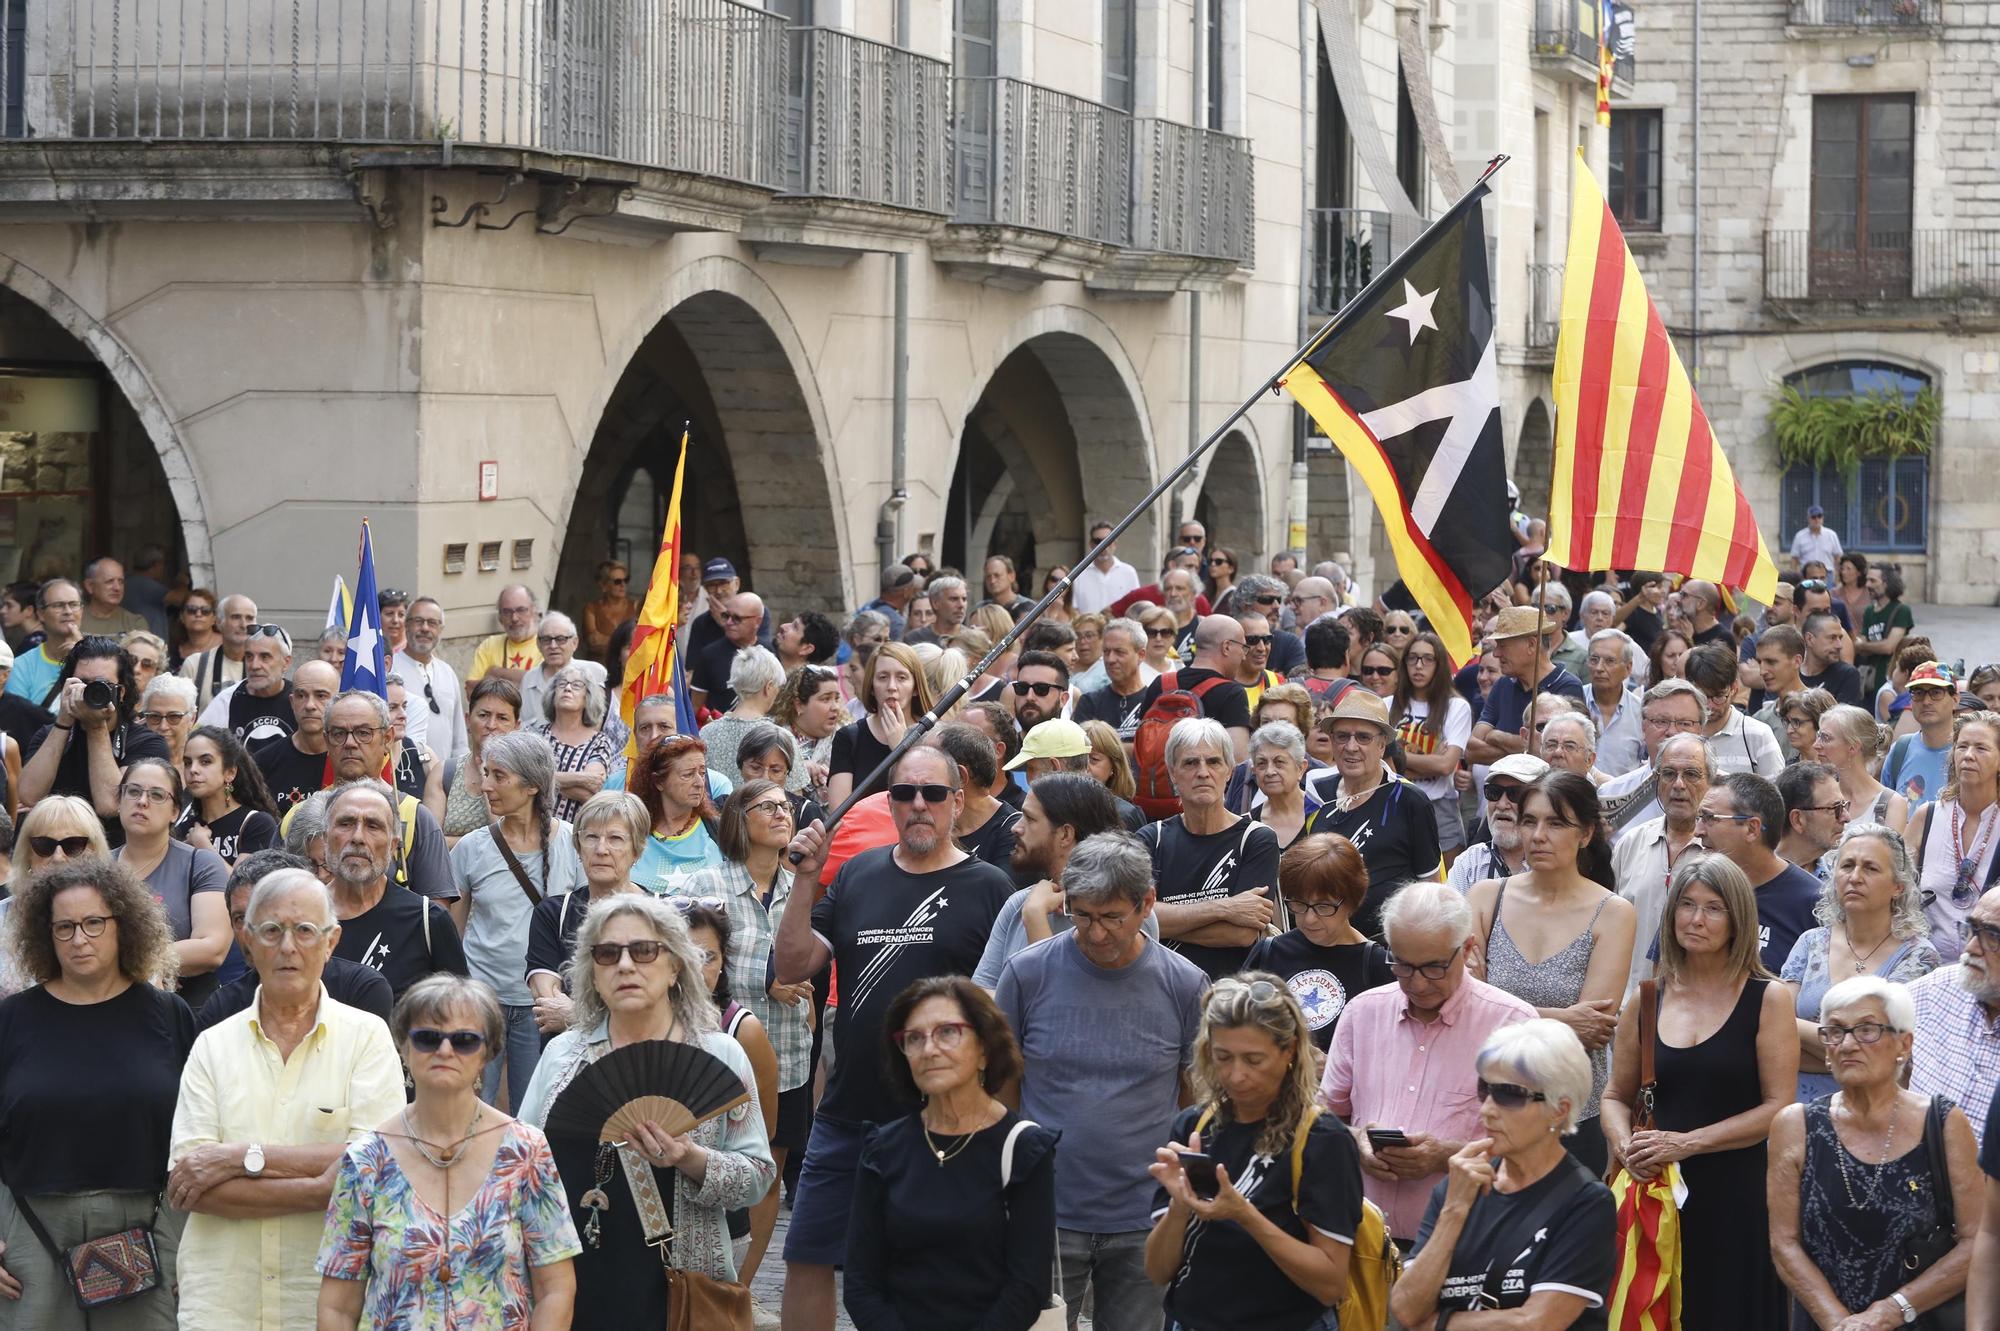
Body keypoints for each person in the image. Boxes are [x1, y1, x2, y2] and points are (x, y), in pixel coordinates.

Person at [773, 745, 1015, 1331]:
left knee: (927, 1272)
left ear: (957, 801)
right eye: (903, 793)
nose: (918, 806)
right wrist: (806, 880)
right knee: (807, 1256)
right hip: (848, 1110)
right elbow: (792, 965)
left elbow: (1005, 1016)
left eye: (933, 793)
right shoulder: (859, 872)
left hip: (942, 1119)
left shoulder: (990, 887)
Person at [518, 894, 775, 1330]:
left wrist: (691, 1158)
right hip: (572, 1283)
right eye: (606, 953)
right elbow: (521, 1170)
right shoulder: (563, 1056)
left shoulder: (720, 1053)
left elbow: (757, 1179)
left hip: (677, 1290)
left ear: (675, 965)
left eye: (643, 950)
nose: (624, 965)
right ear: (592, 972)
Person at [168, 868, 407, 1331]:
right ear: (249, 941)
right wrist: (321, 1185)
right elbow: (192, 1184)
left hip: (326, 1303)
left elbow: (376, 1170)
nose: (288, 947)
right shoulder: (212, 1046)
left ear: (331, 941)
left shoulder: (368, 1038)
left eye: (304, 931)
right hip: (224, 1305)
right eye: (272, 931)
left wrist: (241, 1158)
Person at [993, 829, 1202, 1331]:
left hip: (1143, 1216)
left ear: (1146, 903)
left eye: (1113, 917)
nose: (1096, 933)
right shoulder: (1028, 974)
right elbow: (1002, 1089)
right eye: (1082, 916)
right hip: (1047, 1212)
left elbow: (1193, 1099)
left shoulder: (1185, 984)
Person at [1599, 854, 1798, 1331]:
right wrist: (1627, 1148)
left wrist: (1687, 1143)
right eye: (1685, 905)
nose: (1695, 919)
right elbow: (1613, 1096)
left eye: (1713, 908)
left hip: (1736, 1196)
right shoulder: (1647, 998)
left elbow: (1778, 1109)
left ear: (1738, 919)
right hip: (1654, 1192)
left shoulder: (1767, 999)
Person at [315, 974, 581, 1329]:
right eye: (427, 1038)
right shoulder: (366, 1160)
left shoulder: (526, 1151)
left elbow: (556, 1289)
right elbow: (337, 1307)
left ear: (488, 1051)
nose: (444, 1050)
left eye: (464, 1040)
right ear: (404, 1049)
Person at [0, 860, 194, 1331]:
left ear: (123, 924)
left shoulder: (169, 1016)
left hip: (147, 1230)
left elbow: (201, 1133)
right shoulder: (11, 1021)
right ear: (44, 934)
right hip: (30, 1231)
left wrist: (185, 1244)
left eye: (93, 923)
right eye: (63, 927)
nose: (79, 939)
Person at [1321, 882, 1537, 1245]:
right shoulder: (1363, 1013)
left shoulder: (1512, 1025)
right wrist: (1354, 1140)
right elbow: (1323, 1117)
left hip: (1465, 1249)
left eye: (1434, 967)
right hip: (1362, 1244)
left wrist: (1445, 1156)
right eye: (1402, 966)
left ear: (1467, 949)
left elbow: (1534, 1149)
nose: (1418, 984)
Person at [1147, 973, 1363, 1331]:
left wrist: (1244, 1215)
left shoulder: (1322, 1140)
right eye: (1223, 1057)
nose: (1236, 1075)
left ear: (1290, 1051)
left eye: (1253, 1059)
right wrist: (1180, 1204)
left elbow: (1329, 1284)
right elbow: (1157, 1270)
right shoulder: (1194, 1127)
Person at [1770, 975, 1982, 1331]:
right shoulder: (1795, 1125)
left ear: (1904, 1043)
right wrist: (1840, 1323)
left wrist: (1891, 1312)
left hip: (1919, 1319)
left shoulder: (1943, 1123)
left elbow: (1977, 1239)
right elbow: (1784, 1243)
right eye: (1835, 1031)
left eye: (1867, 1030)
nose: (1848, 1044)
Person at [843, 976, 1056, 1329]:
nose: (929, 1050)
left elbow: (1027, 1285)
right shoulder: (883, 1148)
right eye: (914, 1038)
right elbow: (860, 1282)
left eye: (947, 1032)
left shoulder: (1022, 1149)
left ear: (985, 1049)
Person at [1388, 1020, 1618, 1331]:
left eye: (1510, 1095)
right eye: (1485, 1089)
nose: (1487, 1110)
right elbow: (1405, 1308)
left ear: (1558, 1110)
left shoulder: (1586, 1202)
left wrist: (1436, 1326)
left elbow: (1536, 1322)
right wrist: (1454, 1212)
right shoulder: (1458, 1186)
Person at [1466, 773, 1637, 1173]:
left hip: (1572, 1114)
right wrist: (1560, 1017)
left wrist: (1495, 1006)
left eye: (1556, 823)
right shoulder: (1486, 896)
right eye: (1530, 821)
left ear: (1586, 833)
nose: (1538, 835)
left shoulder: (1613, 913)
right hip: (1490, 1107)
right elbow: (1464, 1008)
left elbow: (1592, 1029)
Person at [447, 730, 583, 1110]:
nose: (486, 785)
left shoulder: (574, 844)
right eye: (486, 773)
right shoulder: (472, 847)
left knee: (533, 1112)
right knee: (470, 1108)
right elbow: (453, 930)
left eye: (499, 776)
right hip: (480, 1001)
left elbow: (586, 928)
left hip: (542, 1007)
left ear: (532, 786)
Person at [1780, 822, 1940, 1103]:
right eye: (1847, 865)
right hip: (1794, 1106)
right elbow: (1774, 1034)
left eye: (1870, 868)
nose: (1855, 877)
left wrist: (1795, 1030)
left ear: (1898, 887)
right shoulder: (1811, 942)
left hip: (1872, 1111)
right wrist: (1852, 1050)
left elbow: (1888, 1053)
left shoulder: (1919, 957)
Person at [1141, 716, 1281, 979]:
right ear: (1172, 772)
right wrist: (1224, 908)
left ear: (1229, 771)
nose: (1203, 772)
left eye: (1213, 761)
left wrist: (1163, 921)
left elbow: (1242, 934)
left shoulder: (1256, 839)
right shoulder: (1151, 839)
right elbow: (1137, 918)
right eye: (1190, 762)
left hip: (1232, 995)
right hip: (1162, 983)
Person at [194, 850, 394, 1033]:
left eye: (270, 921)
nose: (255, 931)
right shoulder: (221, 1009)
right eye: (240, 918)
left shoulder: (360, 992)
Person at [1304, 689, 1443, 935]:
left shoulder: (1409, 800)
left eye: (1364, 738)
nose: (1351, 746)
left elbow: (1430, 890)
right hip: (1324, 941)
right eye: (1342, 736)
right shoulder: (1317, 793)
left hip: (1386, 947)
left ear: (1382, 745)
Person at [1245, 833, 1394, 1050]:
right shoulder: (1270, 951)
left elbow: (1389, 1049)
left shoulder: (1376, 965)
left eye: (1324, 907)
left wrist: (1338, 1066)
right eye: (1298, 904)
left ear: (1352, 901)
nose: (1309, 918)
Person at [523, 792, 652, 1041]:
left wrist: (576, 1015)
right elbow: (546, 999)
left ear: (636, 850)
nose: (601, 849)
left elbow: (661, 1006)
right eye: (591, 837)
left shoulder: (662, 913)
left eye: (615, 838)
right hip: (567, 1062)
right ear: (578, 846)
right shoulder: (553, 913)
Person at [324, 779, 468, 1000]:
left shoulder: (427, 922)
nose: (358, 837)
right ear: (325, 838)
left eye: (373, 826)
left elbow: (458, 1013)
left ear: (393, 846)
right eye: (346, 823)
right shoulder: (298, 918)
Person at [19, 636, 173, 842]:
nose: (91, 691)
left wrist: (96, 727)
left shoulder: (147, 743)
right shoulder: (50, 734)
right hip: (54, 850)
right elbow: (29, 795)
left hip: (114, 856)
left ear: (121, 692)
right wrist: (63, 722)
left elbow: (111, 805)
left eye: (102, 685)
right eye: (82, 683)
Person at [112, 754, 231, 1006]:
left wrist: (130, 962)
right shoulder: (98, 869)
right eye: (133, 791)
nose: (142, 801)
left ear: (175, 811)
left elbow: (213, 948)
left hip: (186, 1010)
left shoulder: (200, 864)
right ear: (119, 802)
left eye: (156, 795)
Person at [317, 691, 457, 902]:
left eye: (363, 733)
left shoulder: (415, 818)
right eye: (338, 733)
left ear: (388, 739)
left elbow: (435, 915)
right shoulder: (299, 816)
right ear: (326, 740)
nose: (350, 743)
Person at [1902, 708, 2000, 962]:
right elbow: (1897, 890)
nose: (1968, 755)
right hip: (1925, 967)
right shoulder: (1928, 817)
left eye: (1981, 748)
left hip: (1988, 971)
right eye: (1962, 746)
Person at [1467, 606, 1587, 765]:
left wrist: (1496, 736)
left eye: (1503, 645)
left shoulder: (1567, 687)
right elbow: (1471, 751)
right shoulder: (1502, 684)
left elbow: (1549, 753)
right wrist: (1527, 749)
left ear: (1531, 644)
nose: (1496, 653)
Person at [1132, 615, 1255, 762]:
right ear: (1226, 647)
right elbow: (1238, 758)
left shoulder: (1161, 683)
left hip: (1155, 782)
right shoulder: (1232, 693)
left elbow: (1139, 745)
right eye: (1243, 648)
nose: (1243, 656)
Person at [827, 641, 932, 807]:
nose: (891, 687)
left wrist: (901, 749)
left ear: (915, 687)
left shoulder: (935, 736)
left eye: (901, 678)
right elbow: (838, 813)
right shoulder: (849, 738)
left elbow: (932, 802)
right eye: (883, 677)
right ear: (871, 686)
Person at [176, 724, 280, 865]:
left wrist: (203, 845)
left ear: (230, 772)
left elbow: (242, 886)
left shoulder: (257, 824)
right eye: (188, 763)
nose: (193, 769)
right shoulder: (183, 831)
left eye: (205, 761)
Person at [630, 734, 726, 887]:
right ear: (659, 782)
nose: (700, 783)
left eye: (702, 773)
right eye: (688, 775)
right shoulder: (631, 831)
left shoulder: (719, 831)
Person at [248, 660, 338, 817]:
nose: (310, 705)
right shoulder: (261, 764)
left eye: (321, 696)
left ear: (339, 700)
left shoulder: (350, 760)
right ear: (291, 702)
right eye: (301, 695)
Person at [1447, 753, 1550, 890]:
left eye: (1516, 794)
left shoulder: (1557, 865)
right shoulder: (1469, 864)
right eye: (1494, 792)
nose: (1501, 805)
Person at [1683, 641, 1786, 776]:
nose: (1709, 706)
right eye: (1702, 696)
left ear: (1734, 689)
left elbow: (1776, 792)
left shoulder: (1758, 735)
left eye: (1718, 697)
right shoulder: (1679, 732)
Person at [443, 677, 522, 839]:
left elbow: (510, 839)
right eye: (484, 715)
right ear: (467, 720)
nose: (491, 725)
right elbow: (431, 843)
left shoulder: (526, 777)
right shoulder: (444, 773)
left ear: (516, 726)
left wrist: (486, 774)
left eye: (502, 718)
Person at [1814, 702, 1908, 836]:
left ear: (1853, 747)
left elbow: (1891, 856)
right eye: (1818, 736)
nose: (1815, 745)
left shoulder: (1892, 804)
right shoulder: (1819, 796)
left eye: (1825, 738)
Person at [698, 644, 785, 782]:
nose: (778, 692)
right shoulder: (780, 738)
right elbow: (794, 796)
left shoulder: (706, 733)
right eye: (777, 687)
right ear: (768, 687)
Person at [197, 624, 295, 746]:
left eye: (265, 657)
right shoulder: (227, 700)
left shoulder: (299, 698)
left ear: (286, 662)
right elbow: (197, 743)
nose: (254, 665)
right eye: (249, 656)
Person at [1882, 660, 1959, 808]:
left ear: (1955, 700)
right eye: (1918, 693)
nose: (1926, 701)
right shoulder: (1899, 750)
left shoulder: (1968, 752)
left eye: (1936, 692)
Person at [1071, 618, 1153, 743]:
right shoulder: (1090, 702)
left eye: (1119, 652)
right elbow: (1086, 752)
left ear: (1141, 655)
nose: (1110, 659)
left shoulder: (1154, 701)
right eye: (1106, 652)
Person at [1247, 720, 1319, 850]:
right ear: (1254, 772)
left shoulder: (1323, 816)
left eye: (1279, 762)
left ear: (1301, 768)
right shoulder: (1248, 826)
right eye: (1262, 763)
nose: (1269, 772)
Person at [1773, 760, 1850, 876]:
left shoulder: (1840, 878)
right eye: (1835, 808)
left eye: (1844, 806)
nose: (1846, 817)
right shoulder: (1751, 882)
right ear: (1797, 820)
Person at [1855, 564, 1914, 698]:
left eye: (1873, 581)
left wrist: (1863, 646)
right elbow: (1862, 640)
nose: (1867, 585)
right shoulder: (1869, 611)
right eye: (1867, 580)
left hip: (1890, 680)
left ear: (1886, 583)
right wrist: (1865, 645)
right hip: (1869, 681)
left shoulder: (1901, 610)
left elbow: (1889, 647)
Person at [467, 584, 541, 687]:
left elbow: (542, 686)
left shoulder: (548, 645)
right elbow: (471, 689)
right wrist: (522, 680)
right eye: (507, 612)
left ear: (534, 611)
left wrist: (494, 672)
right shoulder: (490, 644)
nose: (514, 618)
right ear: (500, 618)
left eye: (521, 610)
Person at [1801, 609, 1866, 708]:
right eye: (1832, 638)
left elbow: (1844, 720)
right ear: (1810, 639)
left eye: (1840, 638)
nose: (1839, 645)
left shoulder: (1846, 674)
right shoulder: (1791, 672)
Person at [583, 560, 636, 661]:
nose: (623, 585)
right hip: (599, 668)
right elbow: (593, 641)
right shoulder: (592, 608)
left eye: (626, 580)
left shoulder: (636, 607)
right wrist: (625, 642)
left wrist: (606, 640)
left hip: (627, 669)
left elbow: (642, 640)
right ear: (604, 585)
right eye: (617, 581)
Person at [1790, 502, 1844, 572]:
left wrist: (1838, 577)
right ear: (1808, 518)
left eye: (1819, 516)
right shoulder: (1800, 536)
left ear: (1823, 518)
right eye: (1813, 517)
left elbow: (1838, 557)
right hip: (1806, 575)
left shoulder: (1831, 535)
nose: (1817, 519)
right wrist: (1794, 576)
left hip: (1827, 574)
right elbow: (1794, 558)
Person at [120, 630, 168, 699]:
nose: (136, 669)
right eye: (131, 660)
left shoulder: (161, 707)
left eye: (147, 664)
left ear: (156, 673)